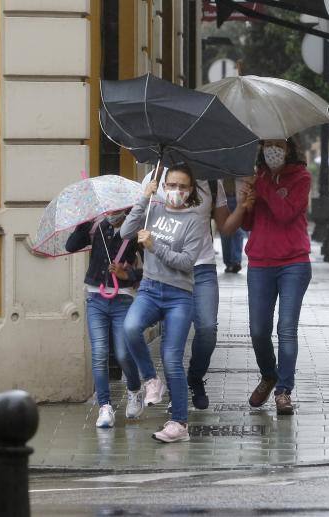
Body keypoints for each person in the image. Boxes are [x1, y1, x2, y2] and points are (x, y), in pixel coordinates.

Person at [140, 168, 247, 412]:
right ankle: (175, 396)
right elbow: (141, 222)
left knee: (207, 329)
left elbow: (225, 227)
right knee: (171, 337)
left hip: (202, 267)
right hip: (167, 270)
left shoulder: (210, 180)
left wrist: (242, 206)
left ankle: (195, 378)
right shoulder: (155, 177)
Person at [121, 163, 207, 443]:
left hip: (179, 295)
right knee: (131, 328)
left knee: (172, 358)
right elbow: (125, 231)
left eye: (183, 186)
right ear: (163, 186)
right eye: (172, 185)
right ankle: (150, 380)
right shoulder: (152, 209)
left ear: (190, 190)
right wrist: (144, 197)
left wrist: (154, 245)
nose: (176, 191)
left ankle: (179, 423)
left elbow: (186, 262)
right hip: (149, 288)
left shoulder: (195, 220)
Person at [240, 138, 312, 415]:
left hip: (293, 263)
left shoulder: (301, 178)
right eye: (266, 144)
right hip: (260, 262)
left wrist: (265, 187)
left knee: (286, 329)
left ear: (289, 147)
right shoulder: (257, 179)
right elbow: (248, 224)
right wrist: (248, 203)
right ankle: (269, 375)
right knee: (258, 330)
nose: (272, 149)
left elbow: (285, 213)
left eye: (277, 144)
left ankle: (284, 390)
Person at [65, 209, 146, 428]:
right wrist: (84, 222)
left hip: (123, 299)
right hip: (95, 297)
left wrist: (128, 275)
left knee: (122, 353)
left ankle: (135, 389)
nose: (112, 213)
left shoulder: (136, 230)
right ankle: (105, 407)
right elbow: (70, 246)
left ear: (127, 208)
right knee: (99, 353)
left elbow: (150, 269)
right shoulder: (97, 228)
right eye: (109, 209)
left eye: (117, 209)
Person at [220, 178, 246, 273]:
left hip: (238, 197)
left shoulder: (240, 164)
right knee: (225, 231)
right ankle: (228, 262)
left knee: (238, 231)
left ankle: (236, 261)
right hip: (223, 197)